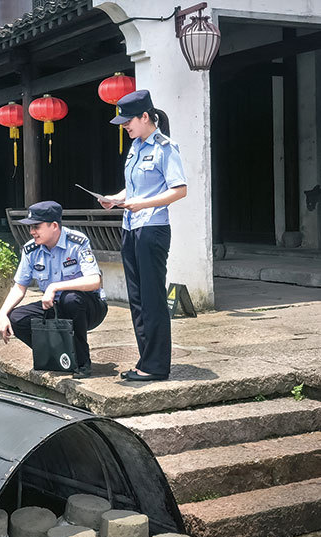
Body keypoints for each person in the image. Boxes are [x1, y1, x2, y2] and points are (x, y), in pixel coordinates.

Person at [100, 90, 187, 382]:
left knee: (152, 298)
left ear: (145, 117)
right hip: (131, 227)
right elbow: (135, 190)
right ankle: (144, 361)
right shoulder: (136, 146)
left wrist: (143, 204)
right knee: (136, 299)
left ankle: (156, 365)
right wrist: (116, 198)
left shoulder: (165, 148)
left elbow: (179, 190)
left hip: (152, 229)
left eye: (128, 121)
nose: (125, 126)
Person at [0, 201, 108, 379]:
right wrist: (2, 314)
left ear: (54, 226)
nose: (32, 232)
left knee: (70, 299)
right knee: (17, 318)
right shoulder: (31, 249)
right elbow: (19, 286)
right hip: (55, 305)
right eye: (31, 227)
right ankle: (56, 355)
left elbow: (95, 281)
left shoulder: (76, 242)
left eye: (37, 227)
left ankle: (81, 363)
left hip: (89, 308)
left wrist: (55, 286)